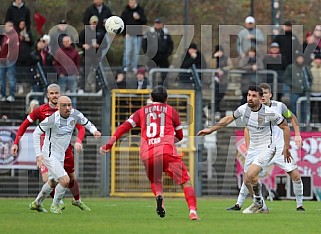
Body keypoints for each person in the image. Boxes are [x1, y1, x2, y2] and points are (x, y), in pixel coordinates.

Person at [100, 85, 199, 220]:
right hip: (167, 150)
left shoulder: (141, 112)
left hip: (148, 153)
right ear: (166, 99)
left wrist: (109, 144)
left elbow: (123, 127)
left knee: (155, 180)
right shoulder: (171, 111)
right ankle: (192, 212)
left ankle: (159, 197)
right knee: (185, 182)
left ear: (151, 98)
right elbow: (180, 136)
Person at [198, 85, 292, 214]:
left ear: (260, 98)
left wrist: (286, 147)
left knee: (251, 175)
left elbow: (286, 127)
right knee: (247, 180)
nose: (250, 98)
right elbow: (228, 119)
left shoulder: (269, 113)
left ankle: (257, 203)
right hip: (253, 148)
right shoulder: (244, 109)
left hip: (268, 148)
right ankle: (261, 205)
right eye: (249, 95)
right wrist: (210, 129)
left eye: (254, 96)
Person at [11, 84, 91, 212]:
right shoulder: (40, 110)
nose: (54, 95)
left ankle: (76, 200)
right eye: (52, 93)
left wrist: (79, 141)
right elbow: (25, 124)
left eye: (56, 93)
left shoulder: (67, 109)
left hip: (65, 150)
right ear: (47, 95)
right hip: (48, 149)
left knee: (71, 177)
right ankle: (56, 203)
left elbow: (81, 127)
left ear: (60, 94)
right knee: (48, 178)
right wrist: (16, 142)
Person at [226, 83, 305, 212]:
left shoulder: (279, 107)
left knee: (295, 175)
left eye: (265, 93)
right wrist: (248, 146)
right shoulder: (253, 110)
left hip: (279, 149)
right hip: (261, 149)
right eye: (261, 94)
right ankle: (238, 204)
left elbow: (292, 117)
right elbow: (247, 129)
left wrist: (297, 134)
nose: (263, 96)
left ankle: (299, 205)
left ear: (270, 95)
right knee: (249, 176)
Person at [32, 95, 101, 214]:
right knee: (65, 180)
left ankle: (37, 203)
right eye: (64, 105)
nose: (68, 108)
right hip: (49, 154)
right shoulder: (52, 119)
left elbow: (86, 123)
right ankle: (55, 205)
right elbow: (36, 133)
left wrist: (94, 130)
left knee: (53, 182)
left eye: (69, 105)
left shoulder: (75, 114)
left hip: (60, 155)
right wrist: (38, 155)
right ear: (58, 107)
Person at [78, 15, 107, 93]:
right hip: (87, 55)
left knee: (98, 72)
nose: (94, 24)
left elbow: (105, 44)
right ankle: (81, 88)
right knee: (84, 72)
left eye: (95, 23)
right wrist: (83, 45)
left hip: (97, 56)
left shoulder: (101, 32)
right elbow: (78, 42)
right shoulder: (84, 32)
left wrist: (98, 46)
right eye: (93, 22)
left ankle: (99, 89)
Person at [142, 18, 173, 86]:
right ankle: (151, 86)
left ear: (162, 24)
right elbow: (144, 43)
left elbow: (170, 44)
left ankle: (164, 86)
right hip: (153, 56)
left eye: (159, 23)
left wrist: (168, 53)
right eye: (156, 23)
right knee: (152, 72)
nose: (158, 25)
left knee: (164, 72)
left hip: (163, 56)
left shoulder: (166, 33)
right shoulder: (149, 32)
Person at [121, 0, 147, 72]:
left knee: (136, 52)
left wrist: (139, 18)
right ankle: (126, 66)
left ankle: (134, 66)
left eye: (132, 2)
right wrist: (124, 33)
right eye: (130, 2)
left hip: (137, 35)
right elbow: (121, 23)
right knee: (127, 51)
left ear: (135, 2)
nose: (131, 4)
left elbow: (144, 21)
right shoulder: (125, 11)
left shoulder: (140, 10)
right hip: (128, 35)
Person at [54, 35, 80, 107]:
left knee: (73, 94)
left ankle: (74, 110)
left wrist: (76, 73)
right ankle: (61, 109)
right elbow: (55, 64)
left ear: (70, 42)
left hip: (72, 76)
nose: (66, 43)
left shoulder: (75, 52)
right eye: (64, 42)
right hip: (62, 76)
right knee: (61, 94)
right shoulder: (59, 52)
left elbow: (77, 64)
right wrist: (59, 73)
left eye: (67, 41)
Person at [0, 21, 19, 102]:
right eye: (7, 26)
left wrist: (10, 58)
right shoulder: (3, 36)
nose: (9, 27)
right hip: (2, 60)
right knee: (1, 78)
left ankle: (11, 95)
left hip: (10, 60)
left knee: (11, 78)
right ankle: (3, 94)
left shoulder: (14, 36)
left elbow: (15, 49)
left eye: (11, 26)